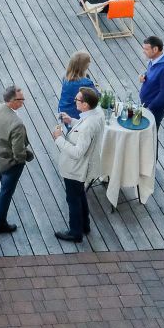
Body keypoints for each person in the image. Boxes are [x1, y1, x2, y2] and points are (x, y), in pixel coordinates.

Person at [52, 87, 105, 243]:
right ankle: (84, 225)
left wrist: (58, 138)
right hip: (85, 167)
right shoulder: (96, 114)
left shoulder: (88, 126)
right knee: (80, 195)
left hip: (76, 168)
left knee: (73, 199)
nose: (74, 101)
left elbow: (77, 152)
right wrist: (72, 121)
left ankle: (75, 233)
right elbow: (83, 128)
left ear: (85, 104)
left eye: (77, 99)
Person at [0, 85, 34, 234]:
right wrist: (24, 157)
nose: (23, 101)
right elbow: (18, 153)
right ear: (13, 101)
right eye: (21, 99)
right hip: (10, 164)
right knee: (5, 193)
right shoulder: (16, 124)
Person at [138, 36, 164, 129]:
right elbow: (152, 73)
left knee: (151, 135)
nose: (143, 51)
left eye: (146, 49)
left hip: (153, 110)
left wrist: (149, 109)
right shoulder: (154, 60)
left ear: (155, 49)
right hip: (145, 105)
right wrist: (144, 75)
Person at [58, 51, 96, 120]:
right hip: (75, 115)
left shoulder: (66, 77)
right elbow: (96, 97)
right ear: (84, 66)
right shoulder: (86, 83)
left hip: (63, 111)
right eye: (88, 62)